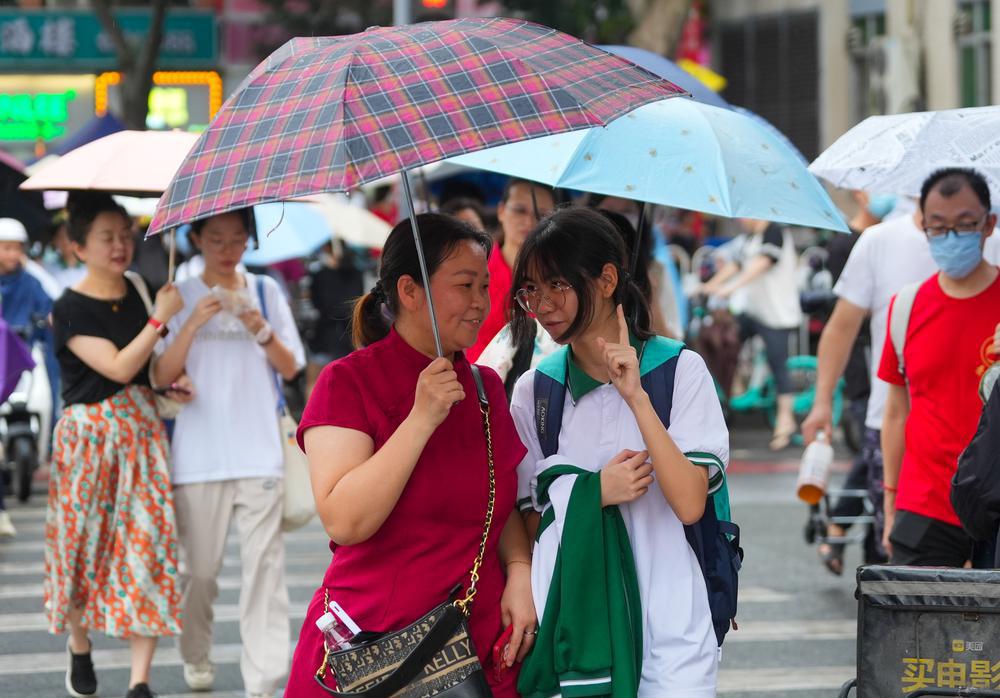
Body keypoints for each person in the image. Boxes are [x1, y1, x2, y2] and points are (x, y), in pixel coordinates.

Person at [285, 213, 535, 697]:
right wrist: (420, 420)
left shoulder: (486, 390)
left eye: (485, 286)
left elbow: (499, 509)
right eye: (464, 285)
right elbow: (345, 520)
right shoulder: (348, 383)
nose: (481, 303)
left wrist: (520, 576)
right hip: (372, 647)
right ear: (409, 290)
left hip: (475, 646)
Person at [509, 208, 726, 697]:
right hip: (578, 628)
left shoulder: (680, 371)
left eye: (556, 285)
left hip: (673, 631)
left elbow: (691, 503)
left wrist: (637, 398)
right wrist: (594, 493)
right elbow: (528, 519)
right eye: (531, 290)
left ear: (607, 279)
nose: (542, 304)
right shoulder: (536, 390)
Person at [152, 208, 306, 698]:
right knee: (199, 573)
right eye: (215, 238)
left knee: (265, 573)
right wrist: (192, 322)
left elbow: (291, 367)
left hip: (260, 452)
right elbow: (160, 375)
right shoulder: (179, 294)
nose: (226, 248)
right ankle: (196, 654)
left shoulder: (265, 290)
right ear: (195, 239)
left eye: (237, 238)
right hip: (196, 457)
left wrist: (259, 328)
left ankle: (263, 683)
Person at [47, 192, 192, 698]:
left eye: (126, 235)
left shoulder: (139, 287)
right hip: (88, 442)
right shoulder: (65, 308)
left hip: (142, 434)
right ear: (77, 245)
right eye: (107, 237)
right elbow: (116, 366)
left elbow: (146, 373)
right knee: (80, 551)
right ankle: (80, 644)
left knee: (148, 547)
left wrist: (172, 378)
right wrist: (161, 319)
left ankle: (139, 681)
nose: (120, 246)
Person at [879, 168, 1000, 567]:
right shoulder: (907, 307)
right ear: (923, 226)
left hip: (995, 506)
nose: (952, 237)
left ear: (988, 225)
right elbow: (896, 413)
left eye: (965, 226)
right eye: (939, 227)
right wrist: (891, 500)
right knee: (918, 629)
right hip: (924, 508)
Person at [801, 191, 891, 574]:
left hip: (882, 367)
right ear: (858, 192)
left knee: (875, 461)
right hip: (860, 365)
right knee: (873, 457)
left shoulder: (889, 236)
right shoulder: (848, 244)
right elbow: (847, 312)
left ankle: (846, 533)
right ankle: (842, 530)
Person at [700, 218, 802, 450]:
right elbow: (735, 265)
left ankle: (786, 423)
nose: (740, 220)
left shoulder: (775, 232)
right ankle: (734, 387)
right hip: (753, 310)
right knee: (724, 340)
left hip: (776, 313)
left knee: (778, 365)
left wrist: (730, 288)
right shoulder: (748, 239)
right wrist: (710, 285)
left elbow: (761, 264)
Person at [0, 217, 55, 531]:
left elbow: (48, 309)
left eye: (16, 248)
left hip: (25, 352)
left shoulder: (32, 280)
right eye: (6, 248)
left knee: (46, 396)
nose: (12, 255)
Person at [467, 178, 556, 361]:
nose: (529, 221)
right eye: (520, 210)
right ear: (501, 211)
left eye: (541, 214)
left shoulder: (560, 280)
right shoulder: (472, 270)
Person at [305, 239, 365, 394]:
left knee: (315, 382)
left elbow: (318, 303)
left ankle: (311, 418)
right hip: (350, 335)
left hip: (325, 335)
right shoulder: (357, 273)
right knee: (351, 383)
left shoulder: (319, 275)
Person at [42, 213, 87, 292]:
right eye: (60, 236)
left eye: (69, 236)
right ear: (54, 241)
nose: (65, 241)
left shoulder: (91, 268)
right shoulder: (46, 269)